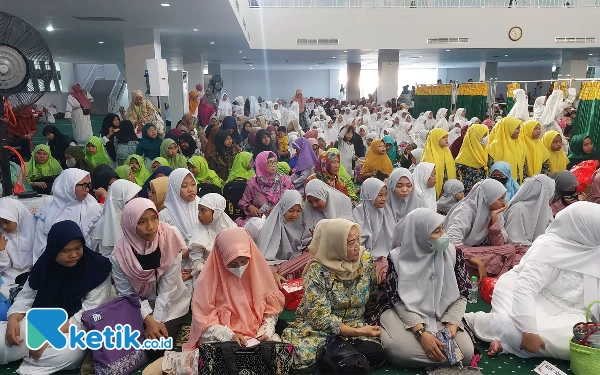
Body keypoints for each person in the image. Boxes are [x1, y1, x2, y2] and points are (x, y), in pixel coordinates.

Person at [465, 201, 600, 360]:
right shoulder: (549, 247)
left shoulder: (594, 250)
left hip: (570, 311)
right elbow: (524, 289)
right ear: (584, 228)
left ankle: (507, 340)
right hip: (523, 295)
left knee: (582, 339)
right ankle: (481, 324)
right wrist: (529, 331)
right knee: (526, 328)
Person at [0, 220, 113, 373]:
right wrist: (13, 318)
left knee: (69, 352)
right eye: (66, 251)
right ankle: (27, 351)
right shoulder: (45, 265)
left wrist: (50, 335)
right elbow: (27, 297)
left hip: (77, 328)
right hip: (44, 319)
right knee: (7, 340)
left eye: (78, 248)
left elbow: (88, 315)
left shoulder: (97, 269)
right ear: (54, 249)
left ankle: (27, 356)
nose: (74, 255)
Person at [282, 219, 386, 372]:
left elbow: (371, 297)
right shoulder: (318, 271)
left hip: (355, 324)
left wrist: (365, 325)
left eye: (358, 240)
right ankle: (333, 350)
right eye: (350, 243)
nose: (358, 247)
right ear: (334, 245)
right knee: (306, 359)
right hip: (320, 330)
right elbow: (321, 320)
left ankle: (338, 352)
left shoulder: (365, 261)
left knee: (377, 354)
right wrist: (359, 332)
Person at [379, 208, 474, 367]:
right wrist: (421, 333)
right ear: (419, 235)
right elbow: (395, 299)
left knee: (466, 353)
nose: (443, 235)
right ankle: (437, 356)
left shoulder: (453, 253)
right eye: (436, 231)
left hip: (442, 314)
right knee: (399, 350)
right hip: (405, 314)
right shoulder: (397, 258)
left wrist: (452, 324)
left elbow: (463, 293)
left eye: (442, 228)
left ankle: (433, 355)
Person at [111, 198, 190, 360]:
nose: (151, 227)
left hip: (170, 304)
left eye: (154, 218)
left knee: (155, 347)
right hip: (137, 306)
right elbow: (127, 293)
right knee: (117, 342)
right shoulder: (120, 254)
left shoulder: (169, 238)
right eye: (142, 221)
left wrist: (156, 320)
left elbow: (168, 288)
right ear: (130, 225)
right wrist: (148, 319)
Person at [185, 227, 284, 350]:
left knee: (275, 355)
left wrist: (266, 331)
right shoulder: (207, 282)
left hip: (258, 333)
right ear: (221, 260)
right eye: (232, 264)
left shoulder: (259, 273)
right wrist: (229, 336)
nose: (239, 267)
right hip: (224, 336)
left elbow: (271, 310)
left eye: (244, 261)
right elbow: (203, 320)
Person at [445, 179, 518, 280]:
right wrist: (477, 261)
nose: (503, 203)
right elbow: (452, 241)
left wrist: (494, 219)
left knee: (510, 251)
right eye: (500, 199)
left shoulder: (494, 211)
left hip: (477, 251)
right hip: (459, 254)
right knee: (508, 253)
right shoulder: (466, 210)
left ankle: (484, 276)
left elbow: (499, 244)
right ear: (489, 198)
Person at [33, 168, 103, 263]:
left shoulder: (93, 209)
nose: (87, 190)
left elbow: (96, 244)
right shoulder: (46, 212)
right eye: (84, 185)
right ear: (68, 185)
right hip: (54, 264)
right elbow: (40, 245)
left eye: (88, 185)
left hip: (85, 264)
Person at [257, 189, 308, 282]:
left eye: (298, 211)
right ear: (283, 208)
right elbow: (265, 257)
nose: (295, 215)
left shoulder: (301, 224)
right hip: (278, 266)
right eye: (291, 211)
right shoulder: (272, 226)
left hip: (295, 262)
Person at [353, 178, 395, 284]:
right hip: (362, 255)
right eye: (380, 195)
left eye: (386, 195)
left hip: (385, 255)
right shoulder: (357, 213)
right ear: (368, 194)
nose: (384, 199)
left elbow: (392, 238)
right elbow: (357, 241)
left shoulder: (387, 211)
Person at [187, 193, 237, 282]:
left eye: (203, 211)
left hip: (228, 272)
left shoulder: (231, 230)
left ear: (216, 213)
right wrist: (205, 271)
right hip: (206, 275)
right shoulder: (199, 231)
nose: (199, 215)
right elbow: (196, 258)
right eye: (198, 210)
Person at [236, 151, 294, 226]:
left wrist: (279, 207)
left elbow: (294, 199)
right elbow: (243, 202)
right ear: (261, 164)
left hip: (281, 220)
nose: (273, 165)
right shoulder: (253, 183)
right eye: (269, 162)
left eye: (275, 162)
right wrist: (250, 207)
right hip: (260, 221)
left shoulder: (284, 180)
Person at [91, 180, 141, 257]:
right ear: (120, 201)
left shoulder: (135, 217)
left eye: (137, 196)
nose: (136, 201)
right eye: (132, 198)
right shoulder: (104, 224)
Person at [503, 175, 555, 246]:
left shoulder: (546, 209)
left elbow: (552, 232)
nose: (553, 195)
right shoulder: (517, 209)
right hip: (522, 251)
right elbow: (514, 240)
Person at [0, 199, 35, 301]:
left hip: (32, 274)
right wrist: (1, 251)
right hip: (9, 276)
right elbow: (4, 267)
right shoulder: (2, 235)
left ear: (18, 216)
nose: (3, 226)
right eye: (0, 222)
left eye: (7, 222)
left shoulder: (34, 230)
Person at [301, 179, 355, 245]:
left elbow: (351, 233)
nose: (314, 205)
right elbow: (306, 238)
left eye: (317, 200)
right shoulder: (308, 209)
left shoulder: (342, 204)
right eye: (310, 201)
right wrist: (314, 239)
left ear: (324, 195)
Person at [487, 117, 525, 183]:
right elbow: (491, 167)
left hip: (516, 184)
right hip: (500, 184)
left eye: (519, 128)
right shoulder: (494, 146)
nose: (519, 131)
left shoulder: (520, 145)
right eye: (517, 128)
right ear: (508, 128)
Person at [421, 128, 456, 197]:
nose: (446, 139)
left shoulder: (447, 152)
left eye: (447, 137)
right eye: (443, 137)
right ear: (435, 138)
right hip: (433, 187)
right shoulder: (428, 155)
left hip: (446, 187)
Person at [455, 124, 489, 194]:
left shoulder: (484, 151)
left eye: (486, 135)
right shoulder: (464, 155)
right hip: (468, 192)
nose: (486, 138)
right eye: (484, 135)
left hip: (481, 190)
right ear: (475, 137)